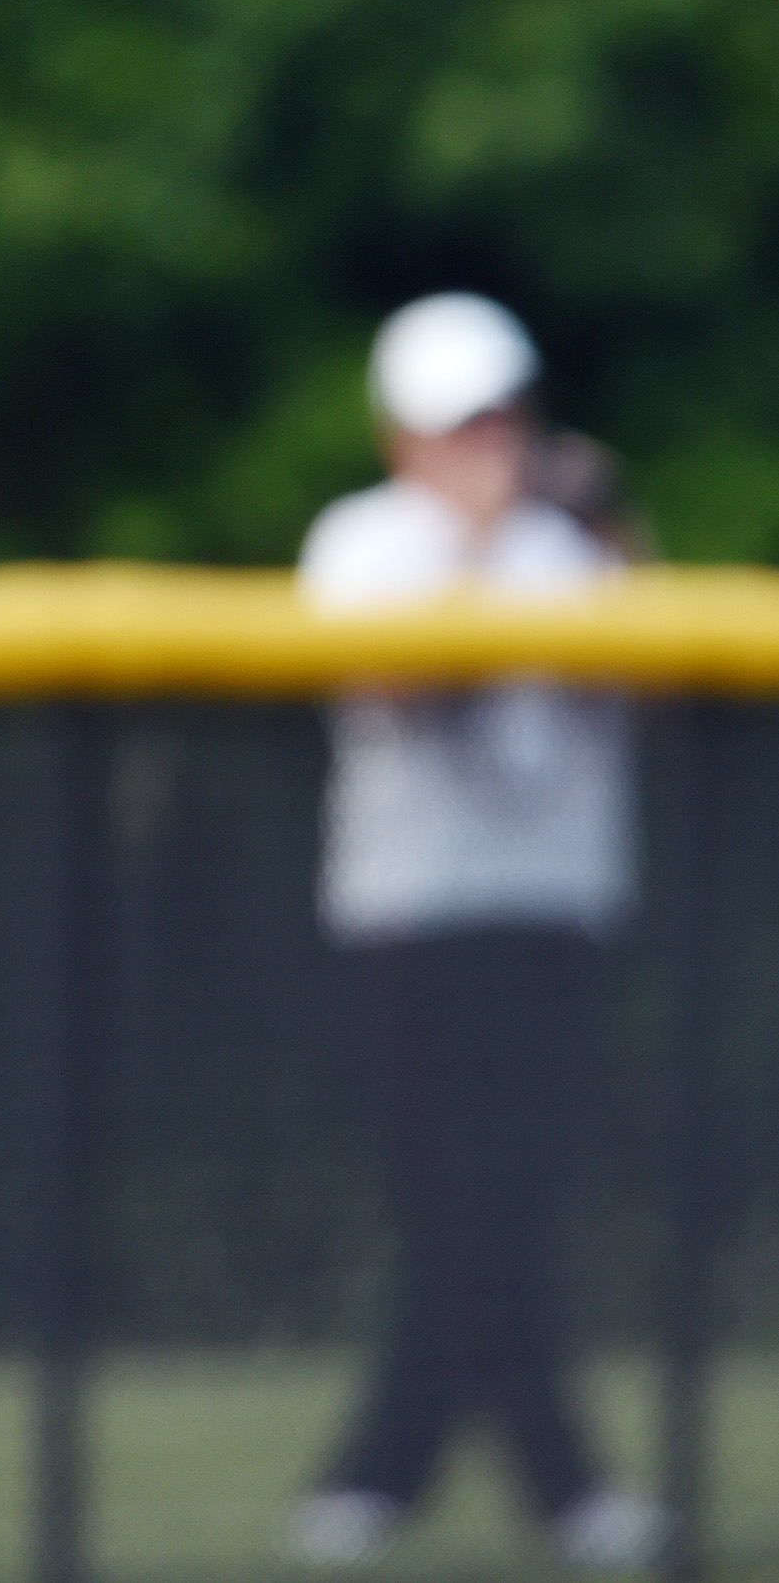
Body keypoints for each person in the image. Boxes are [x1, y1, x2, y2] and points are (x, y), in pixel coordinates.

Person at [288, 293, 664, 1571]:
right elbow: (388, 681)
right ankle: (552, 1489)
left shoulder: (572, 553)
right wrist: (475, 542)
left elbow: (662, 686)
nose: (485, 444)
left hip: (555, 909)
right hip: (414, 913)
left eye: (501, 417)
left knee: (517, 1203)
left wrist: (606, 528)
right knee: (453, 1207)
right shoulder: (364, 542)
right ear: (400, 434)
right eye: (457, 423)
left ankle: (376, 1482)